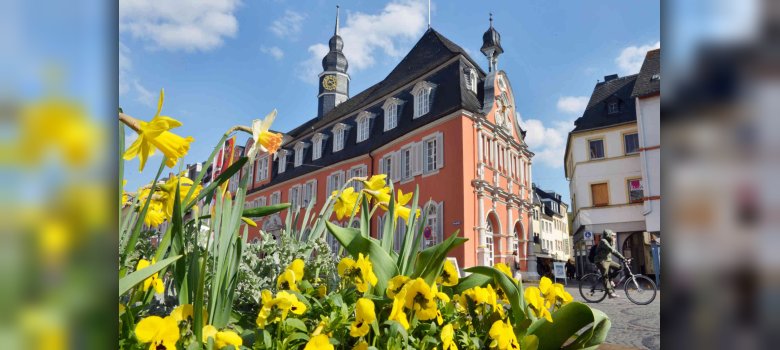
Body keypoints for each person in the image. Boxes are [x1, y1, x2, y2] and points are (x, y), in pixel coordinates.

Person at [594, 229, 627, 298]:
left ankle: (610, 279)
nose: (613, 236)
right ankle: (610, 293)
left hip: (608, 260)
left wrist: (624, 259)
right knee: (605, 276)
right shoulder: (603, 241)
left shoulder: (609, 241)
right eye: (612, 235)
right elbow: (612, 250)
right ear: (608, 235)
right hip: (601, 261)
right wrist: (614, 243)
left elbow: (614, 251)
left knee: (619, 267)